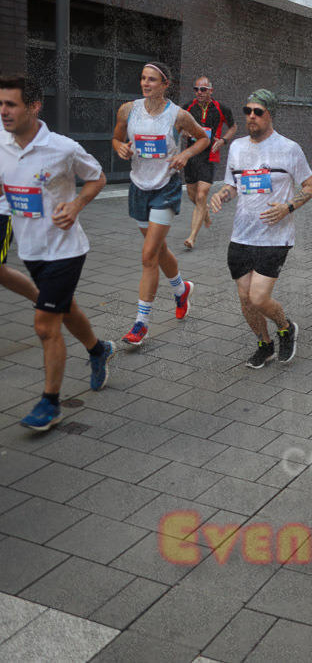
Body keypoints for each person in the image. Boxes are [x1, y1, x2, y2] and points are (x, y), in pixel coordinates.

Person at [0, 73, 115, 430]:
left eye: (11, 104)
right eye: (0, 104)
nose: (3, 111)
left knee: (45, 325)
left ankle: (50, 403)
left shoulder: (62, 148)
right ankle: (98, 350)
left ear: (34, 107)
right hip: (31, 249)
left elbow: (97, 178)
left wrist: (77, 204)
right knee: (66, 309)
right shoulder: (0, 142)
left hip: (65, 250)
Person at [208, 89, 312, 368]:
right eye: (248, 111)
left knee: (258, 297)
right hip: (241, 234)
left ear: (270, 114)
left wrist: (287, 207)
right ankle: (264, 344)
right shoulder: (237, 147)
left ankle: (285, 327)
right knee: (245, 299)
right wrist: (223, 194)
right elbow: (233, 185)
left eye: (258, 112)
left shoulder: (289, 148)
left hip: (275, 236)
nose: (251, 117)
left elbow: (310, 187)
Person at [112, 62, 207, 346]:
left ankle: (141, 323)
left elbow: (203, 138)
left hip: (166, 187)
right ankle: (181, 289)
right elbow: (116, 138)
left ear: (165, 84)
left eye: (152, 79)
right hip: (139, 188)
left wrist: (185, 154)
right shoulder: (128, 110)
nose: (145, 83)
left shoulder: (178, 115)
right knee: (159, 248)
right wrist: (119, 146)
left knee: (149, 254)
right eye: (143, 78)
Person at [182, 76, 236, 249]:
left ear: (210, 91)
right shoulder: (188, 107)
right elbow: (178, 127)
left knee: (201, 193)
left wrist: (223, 141)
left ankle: (191, 237)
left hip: (210, 156)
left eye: (203, 89)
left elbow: (233, 127)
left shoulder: (221, 109)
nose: (199, 92)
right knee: (192, 194)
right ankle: (204, 212)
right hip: (192, 155)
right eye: (196, 89)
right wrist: (186, 133)